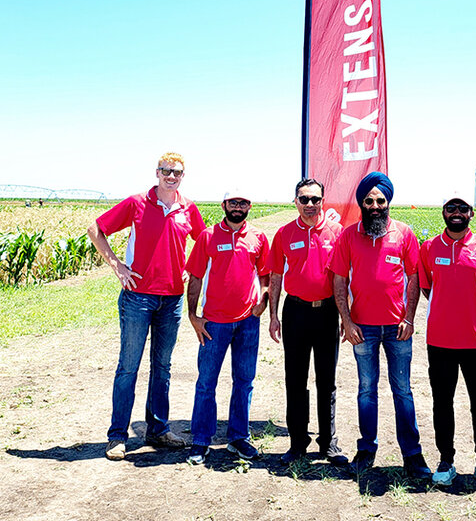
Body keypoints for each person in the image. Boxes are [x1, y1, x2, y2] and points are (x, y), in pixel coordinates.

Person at [88, 152, 205, 461]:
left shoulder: (188, 209)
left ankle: (158, 429)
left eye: (177, 172)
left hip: (172, 299)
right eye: (166, 170)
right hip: (137, 297)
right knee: (128, 367)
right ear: (157, 172)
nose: (171, 176)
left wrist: (191, 268)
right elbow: (96, 230)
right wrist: (117, 266)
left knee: (163, 367)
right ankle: (117, 436)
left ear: (183, 175)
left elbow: (203, 244)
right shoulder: (137, 203)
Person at [330, 172, 431, 478]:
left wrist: (409, 318)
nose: (375, 205)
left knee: (402, 390)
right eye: (368, 201)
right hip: (363, 329)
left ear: (388, 202)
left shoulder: (404, 234)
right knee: (366, 390)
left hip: (398, 329)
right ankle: (366, 449)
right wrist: (346, 322)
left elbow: (413, 277)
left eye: (380, 200)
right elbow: (339, 279)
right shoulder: (348, 236)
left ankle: (412, 455)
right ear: (361, 203)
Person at [418, 192, 476, 489]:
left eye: (462, 208)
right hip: (440, 340)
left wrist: (473, 311)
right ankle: (446, 460)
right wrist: (448, 308)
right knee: (442, 402)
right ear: (443, 212)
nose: (456, 212)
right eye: (450, 207)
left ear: (471, 213)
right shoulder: (429, 248)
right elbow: (427, 287)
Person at [264, 178, 347, 465]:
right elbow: (275, 276)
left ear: (323, 201)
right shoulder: (285, 233)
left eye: (315, 199)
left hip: (327, 314)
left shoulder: (338, 232)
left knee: (327, 380)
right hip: (295, 312)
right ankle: (298, 442)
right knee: (295, 380)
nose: (310, 205)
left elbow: (346, 277)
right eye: (304, 199)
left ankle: (328, 443)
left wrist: (345, 316)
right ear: (295, 201)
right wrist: (273, 316)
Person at [185, 190, 270, 465]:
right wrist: (193, 315)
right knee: (206, 383)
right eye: (233, 202)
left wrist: (263, 302)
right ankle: (200, 441)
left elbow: (266, 275)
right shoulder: (208, 237)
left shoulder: (258, 237)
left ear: (249, 206)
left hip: (248, 322)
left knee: (244, 382)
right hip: (214, 323)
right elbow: (195, 277)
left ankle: (238, 438)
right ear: (224, 205)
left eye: (243, 202)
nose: (238, 207)